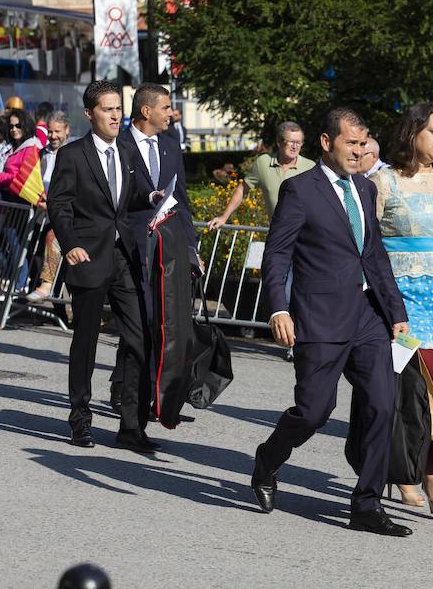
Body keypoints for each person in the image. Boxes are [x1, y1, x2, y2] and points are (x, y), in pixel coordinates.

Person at [251, 107, 412, 537]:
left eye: (363, 144)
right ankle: (268, 459)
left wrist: (395, 311)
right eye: (351, 144)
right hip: (319, 318)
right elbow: (278, 254)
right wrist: (278, 308)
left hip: (367, 317)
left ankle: (367, 503)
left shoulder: (364, 187)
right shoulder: (300, 191)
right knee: (313, 411)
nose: (360, 152)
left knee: (383, 403)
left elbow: (373, 255)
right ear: (327, 143)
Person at [47, 80, 153, 452]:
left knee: (140, 338)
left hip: (124, 258)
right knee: (86, 342)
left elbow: (128, 196)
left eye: (118, 108)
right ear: (90, 113)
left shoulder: (125, 152)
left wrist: (152, 195)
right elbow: (58, 205)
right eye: (107, 109)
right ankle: (80, 419)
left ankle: (131, 425)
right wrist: (71, 244)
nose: (115, 114)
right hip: (89, 258)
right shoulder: (73, 155)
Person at [372, 102, 433, 511]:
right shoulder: (384, 182)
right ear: (412, 134)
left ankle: (424, 470)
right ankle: (417, 474)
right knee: (409, 388)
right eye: (432, 130)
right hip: (400, 299)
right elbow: (366, 244)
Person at [109, 83, 196, 417]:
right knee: (138, 321)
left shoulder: (171, 146)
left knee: (163, 322)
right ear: (147, 111)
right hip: (129, 247)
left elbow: (182, 201)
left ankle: (159, 395)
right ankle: (125, 390)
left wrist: (190, 247)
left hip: (168, 247)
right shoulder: (120, 144)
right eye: (166, 107)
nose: (171, 113)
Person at [207, 121, 316, 229]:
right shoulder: (263, 163)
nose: (295, 146)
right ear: (279, 141)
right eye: (291, 142)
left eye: (299, 142)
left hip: (306, 236)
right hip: (277, 236)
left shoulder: (310, 167)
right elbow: (242, 189)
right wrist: (223, 217)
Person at [26, 111, 72, 302]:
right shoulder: (41, 154)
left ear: (67, 130)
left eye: (57, 131)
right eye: (50, 131)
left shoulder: (73, 153)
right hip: (41, 215)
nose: (53, 136)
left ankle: (53, 297)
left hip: (65, 215)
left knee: (53, 244)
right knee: (34, 256)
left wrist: (53, 204)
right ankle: (34, 309)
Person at [0, 108, 44, 206]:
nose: (14, 129)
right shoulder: (14, 147)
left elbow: (22, 179)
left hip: (23, 203)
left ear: (25, 125)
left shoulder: (31, 149)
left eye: (18, 126)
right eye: (11, 126)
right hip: (12, 201)